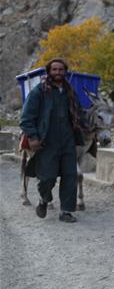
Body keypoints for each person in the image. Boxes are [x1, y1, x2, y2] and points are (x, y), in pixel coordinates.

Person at [19, 58, 83, 223]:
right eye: (54, 69)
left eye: (61, 70)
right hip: (47, 141)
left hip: (68, 140)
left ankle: (66, 211)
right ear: (49, 72)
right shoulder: (39, 91)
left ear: (65, 72)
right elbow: (26, 117)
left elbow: (79, 114)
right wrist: (33, 136)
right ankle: (44, 200)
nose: (57, 72)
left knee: (70, 176)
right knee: (47, 177)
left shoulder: (70, 92)